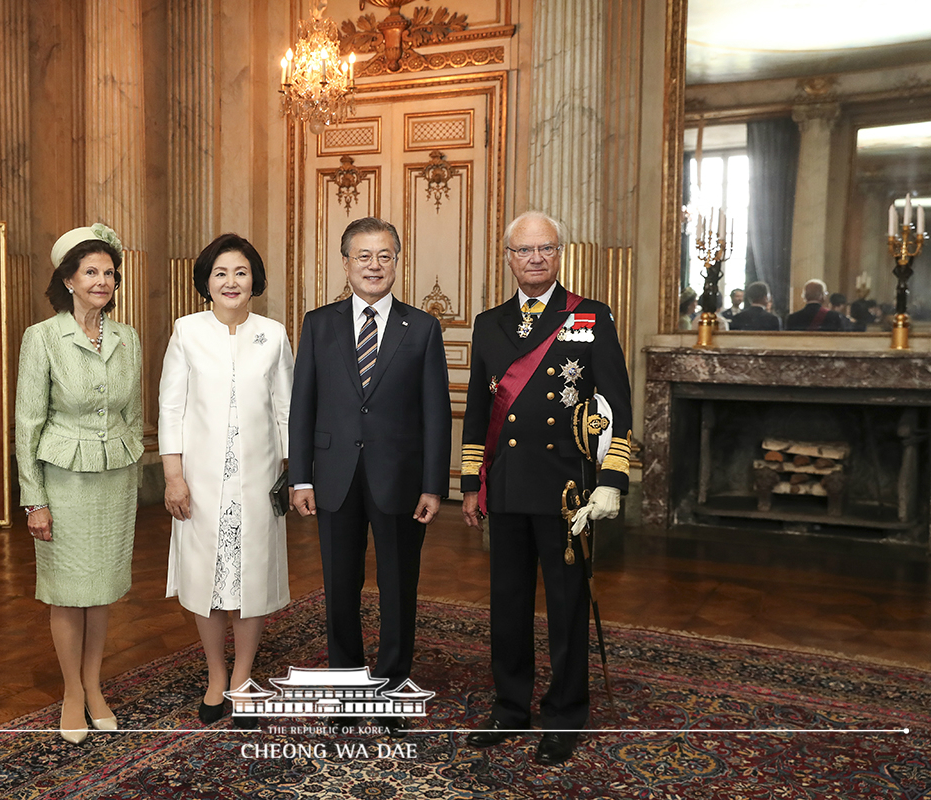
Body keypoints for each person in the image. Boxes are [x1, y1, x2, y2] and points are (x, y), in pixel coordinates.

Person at [460, 211, 632, 766]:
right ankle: (510, 708)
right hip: (508, 488)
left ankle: (564, 714)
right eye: (523, 250)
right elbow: (478, 412)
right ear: (507, 257)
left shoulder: (589, 317)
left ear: (560, 254)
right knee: (507, 605)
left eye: (545, 248)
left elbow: (617, 406)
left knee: (565, 606)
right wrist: (469, 483)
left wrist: (611, 480)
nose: (534, 258)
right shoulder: (489, 323)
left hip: (568, 493)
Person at [289, 216, 452, 737]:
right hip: (333, 476)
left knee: (399, 585)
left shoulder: (422, 327)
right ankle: (346, 686)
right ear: (345, 264)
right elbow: (302, 406)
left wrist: (433, 484)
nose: (374, 266)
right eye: (364, 256)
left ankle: (392, 686)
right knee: (340, 585)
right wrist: (300, 478)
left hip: (400, 478)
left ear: (396, 262)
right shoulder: (319, 323)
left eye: (384, 256)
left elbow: (435, 412)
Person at [158, 233, 294, 730]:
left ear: (254, 279)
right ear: (206, 284)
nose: (231, 281)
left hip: (258, 481)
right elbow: (171, 407)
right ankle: (215, 675)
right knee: (207, 579)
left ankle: (242, 678)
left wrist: (291, 473)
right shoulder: (186, 331)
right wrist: (173, 475)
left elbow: (287, 411)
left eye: (240, 272)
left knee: (250, 578)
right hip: (200, 482)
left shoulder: (274, 334)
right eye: (220, 273)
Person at [15, 223, 144, 744]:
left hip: (115, 479)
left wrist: (130, 466)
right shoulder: (43, 338)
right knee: (69, 592)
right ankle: (72, 692)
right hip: (63, 482)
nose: (103, 281)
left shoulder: (127, 337)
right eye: (91, 271)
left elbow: (134, 415)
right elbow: (27, 424)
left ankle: (95, 687)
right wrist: (34, 501)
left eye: (109, 273)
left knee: (101, 592)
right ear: (68, 279)